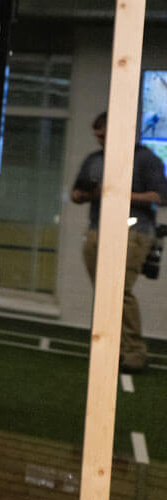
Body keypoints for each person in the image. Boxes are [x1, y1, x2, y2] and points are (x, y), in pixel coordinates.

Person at [70, 111, 167, 373]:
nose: (100, 140)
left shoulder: (145, 159)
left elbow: (159, 196)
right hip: (97, 229)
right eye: (97, 136)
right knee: (104, 293)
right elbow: (75, 194)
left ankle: (134, 353)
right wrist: (85, 193)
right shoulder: (94, 160)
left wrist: (118, 193)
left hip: (133, 231)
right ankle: (110, 346)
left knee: (119, 292)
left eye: (103, 135)